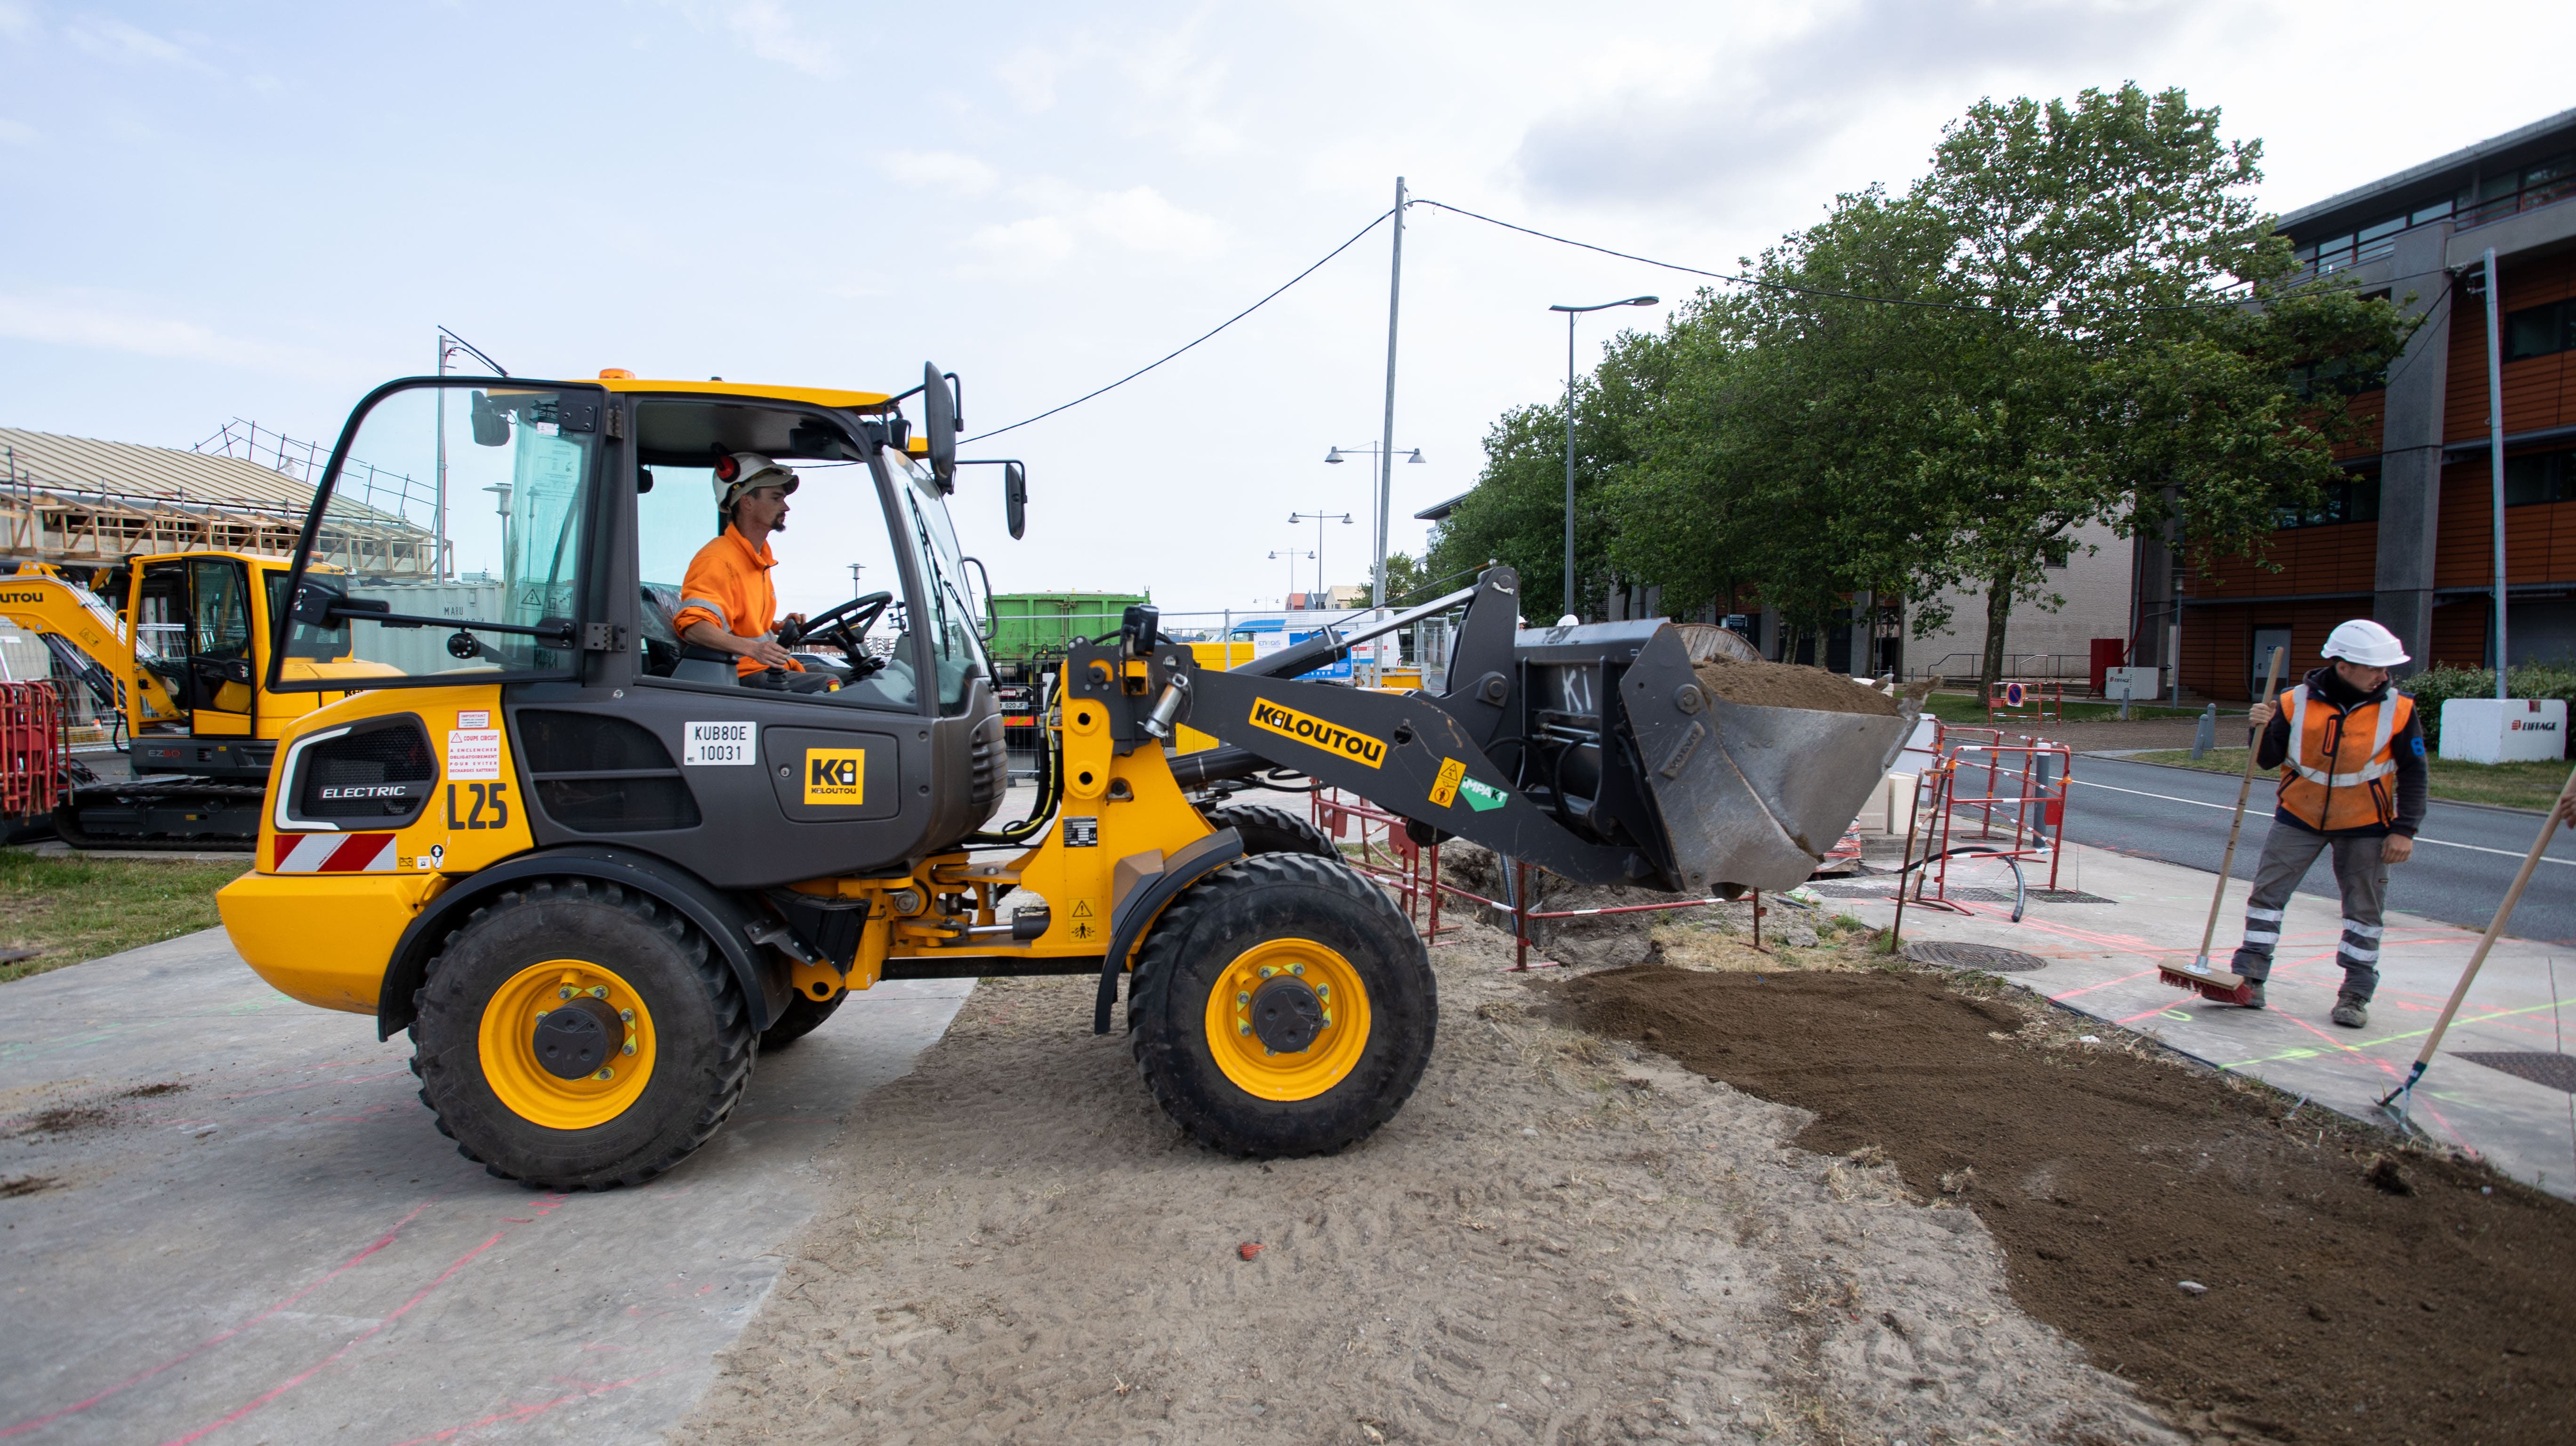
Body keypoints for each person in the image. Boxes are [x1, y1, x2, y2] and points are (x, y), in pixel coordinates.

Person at [2225, 618, 2426, 1028]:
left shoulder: (2400, 709)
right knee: (2267, 899)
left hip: (2367, 824)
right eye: (2375, 669)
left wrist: (2404, 829)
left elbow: (2415, 771)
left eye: (2387, 670)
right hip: (2298, 817)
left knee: (2363, 912)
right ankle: (2251, 978)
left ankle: (2356, 994)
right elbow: (2266, 760)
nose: (2383, 677)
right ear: (2344, 665)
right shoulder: (2292, 702)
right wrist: (2258, 729)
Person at [672, 452, 838, 694]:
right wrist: (754, 650)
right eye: (776, 498)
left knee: (857, 676)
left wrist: (779, 627)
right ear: (748, 502)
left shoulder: (755, 559)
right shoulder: (718, 559)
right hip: (741, 675)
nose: (786, 506)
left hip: (761, 667)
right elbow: (695, 626)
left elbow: (740, 621)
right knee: (831, 685)